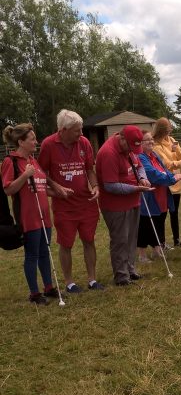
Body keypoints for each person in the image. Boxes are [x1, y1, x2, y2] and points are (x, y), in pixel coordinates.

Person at [38, 109, 103, 294]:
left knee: (89, 240)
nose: (81, 134)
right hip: (64, 206)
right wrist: (56, 187)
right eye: (77, 130)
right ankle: (69, 282)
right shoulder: (48, 145)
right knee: (66, 243)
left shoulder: (84, 143)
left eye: (81, 129)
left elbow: (89, 169)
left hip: (86, 202)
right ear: (63, 130)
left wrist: (96, 186)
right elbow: (41, 172)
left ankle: (92, 279)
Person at [1, 123, 62, 305]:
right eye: (32, 139)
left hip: (44, 214)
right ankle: (34, 293)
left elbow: (41, 187)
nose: (36, 141)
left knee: (45, 251)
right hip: (28, 217)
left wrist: (59, 191)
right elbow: (8, 189)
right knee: (32, 254)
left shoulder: (33, 161)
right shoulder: (10, 161)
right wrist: (25, 175)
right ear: (21, 142)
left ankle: (48, 287)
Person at [95, 125, 153, 286]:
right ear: (121, 138)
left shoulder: (131, 149)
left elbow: (139, 166)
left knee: (131, 237)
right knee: (120, 240)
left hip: (133, 201)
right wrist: (136, 188)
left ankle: (130, 270)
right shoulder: (108, 153)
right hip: (115, 206)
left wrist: (142, 178)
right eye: (129, 146)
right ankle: (121, 276)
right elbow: (110, 185)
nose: (132, 151)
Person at [137, 132, 181, 262]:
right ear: (140, 143)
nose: (151, 142)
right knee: (146, 225)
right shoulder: (141, 157)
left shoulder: (154, 155)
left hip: (162, 196)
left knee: (158, 223)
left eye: (151, 139)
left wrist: (169, 176)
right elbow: (153, 174)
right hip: (149, 197)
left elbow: (164, 170)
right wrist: (172, 178)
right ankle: (142, 255)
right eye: (146, 140)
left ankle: (156, 250)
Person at [151, 118, 181, 248]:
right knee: (163, 214)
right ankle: (161, 242)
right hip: (165, 184)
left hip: (176, 183)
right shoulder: (156, 146)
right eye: (167, 130)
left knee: (175, 213)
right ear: (161, 131)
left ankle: (177, 240)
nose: (169, 132)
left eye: (170, 130)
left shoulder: (172, 141)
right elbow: (167, 165)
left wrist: (175, 151)